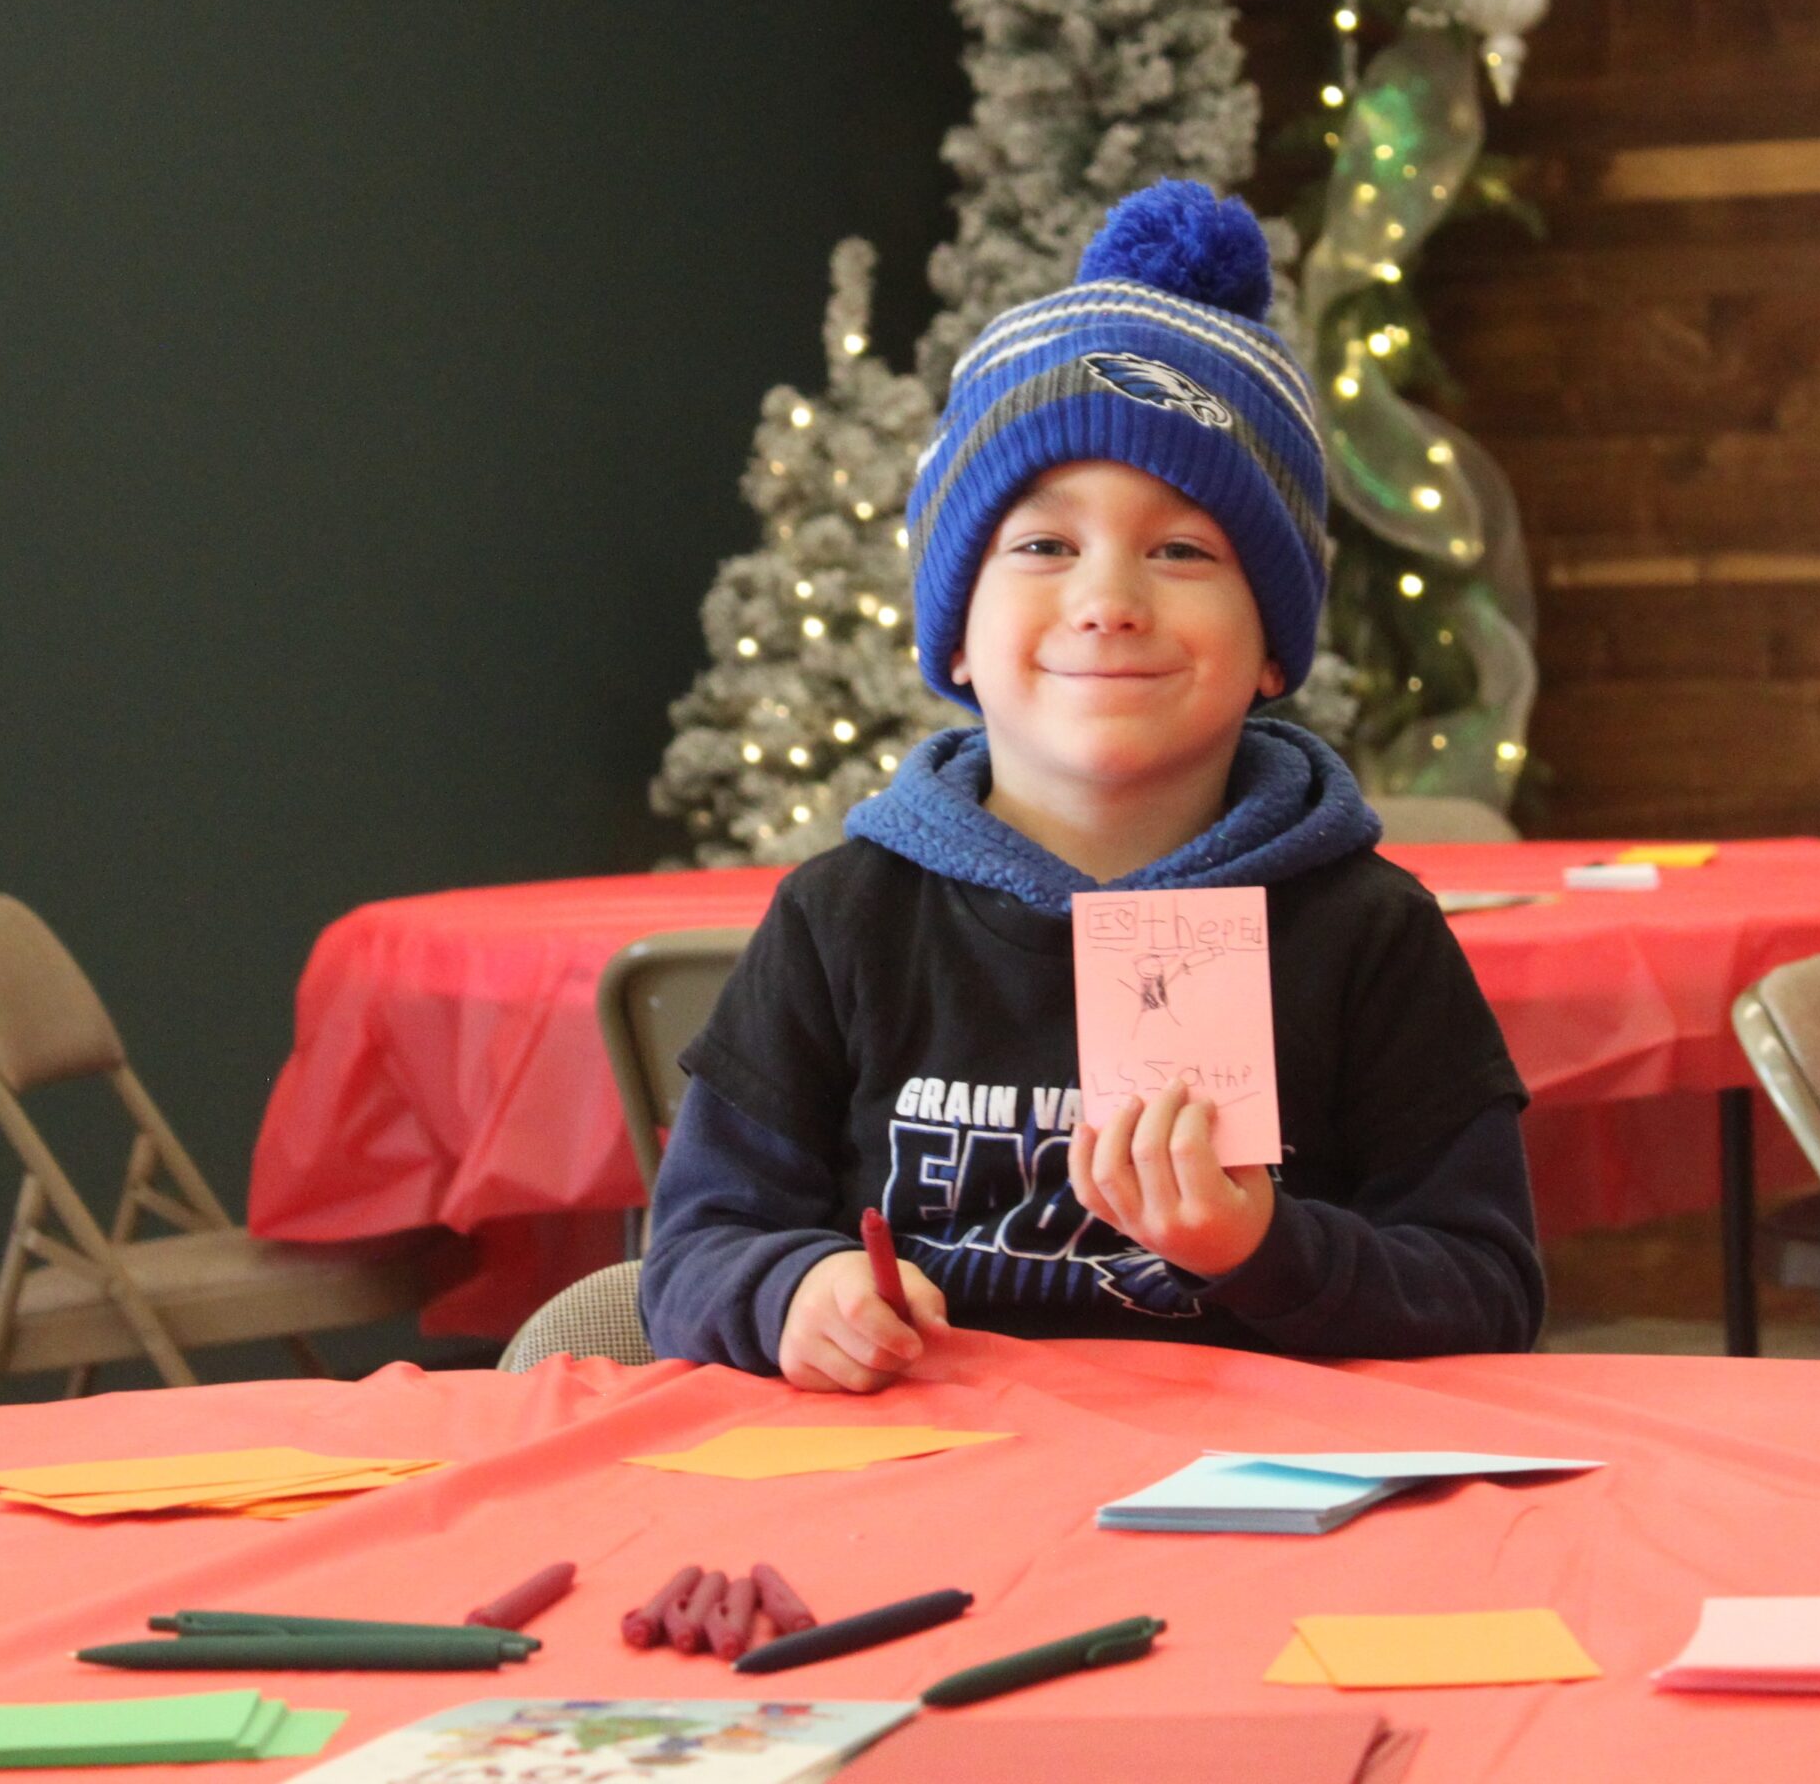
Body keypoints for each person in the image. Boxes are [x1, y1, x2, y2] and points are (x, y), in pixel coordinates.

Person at [640, 178, 1543, 1390]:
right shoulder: (842, 922)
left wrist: (1264, 1247)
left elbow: (1488, 1293)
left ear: (1274, 643)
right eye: (1043, 546)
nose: (1110, 600)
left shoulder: (1368, 937)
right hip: (916, 1499)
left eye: (1181, 550)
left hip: (1267, 1517)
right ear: (957, 634)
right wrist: (793, 1290)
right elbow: (693, 1248)